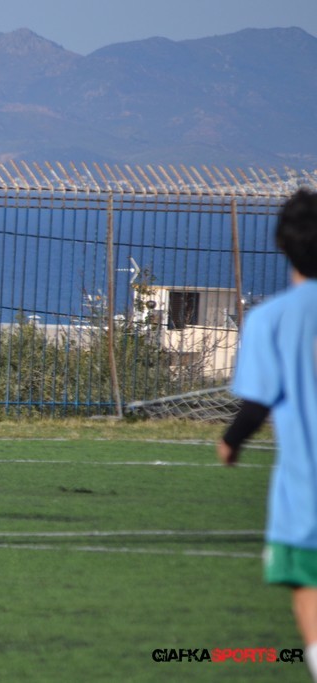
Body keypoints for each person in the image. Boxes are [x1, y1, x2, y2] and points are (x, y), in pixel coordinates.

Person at [217, 188, 317, 680]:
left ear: (282, 244)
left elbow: (257, 402)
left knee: (310, 590)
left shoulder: (271, 319)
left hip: (307, 494)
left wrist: (231, 441)